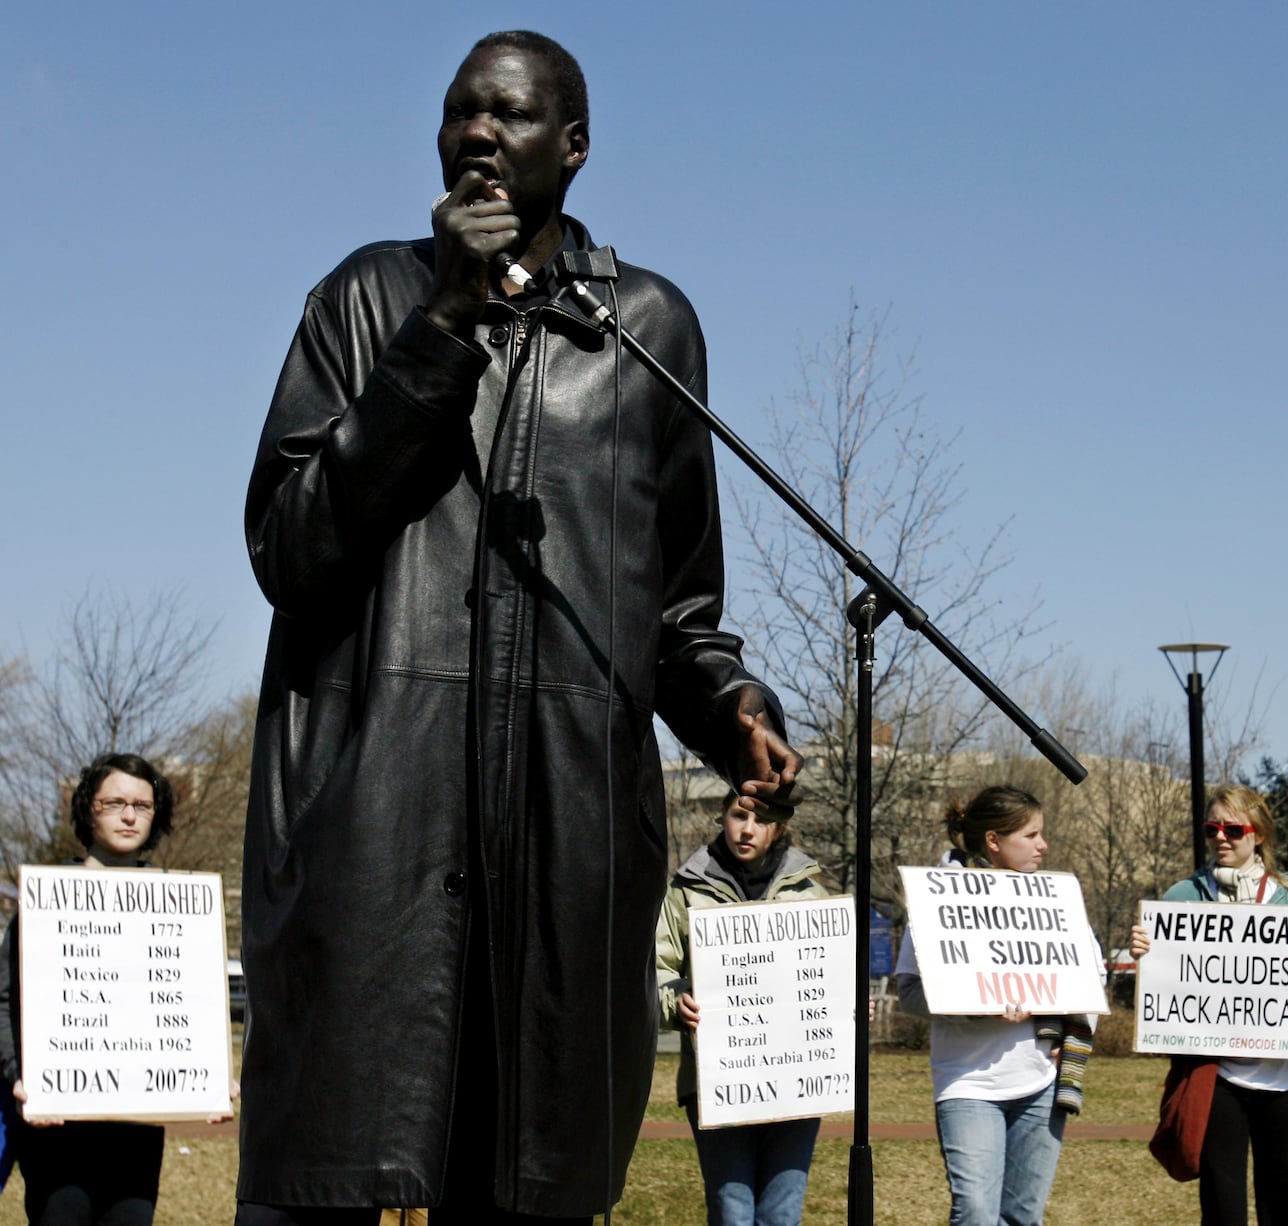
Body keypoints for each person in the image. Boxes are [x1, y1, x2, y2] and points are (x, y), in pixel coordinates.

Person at [238, 30, 800, 1226]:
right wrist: (438, 328)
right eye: (459, 114)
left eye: (509, 115)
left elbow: (680, 610)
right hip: (375, 830)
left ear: (576, 146)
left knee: (525, 1192)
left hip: (564, 846)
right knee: (324, 1184)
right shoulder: (365, 297)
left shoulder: (648, 327)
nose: (478, 133)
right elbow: (292, 547)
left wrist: (729, 705)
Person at [1129, 784, 1288, 1226]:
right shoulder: (1180, 899)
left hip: (1287, 1075)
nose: (1221, 838)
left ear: (1259, 834)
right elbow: (1168, 981)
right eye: (1212, 829)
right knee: (1221, 1204)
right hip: (1217, 1074)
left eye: (1233, 828)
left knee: (1284, 1202)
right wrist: (1143, 954)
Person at [895, 786, 1097, 1226]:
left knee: (1024, 1215)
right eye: (1031, 834)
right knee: (976, 1214)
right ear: (994, 840)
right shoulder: (939, 898)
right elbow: (908, 991)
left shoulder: (1055, 900)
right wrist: (974, 1005)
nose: (1043, 845)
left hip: (1042, 1083)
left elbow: (1089, 975)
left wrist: (1073, 1028)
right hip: (968, 1086)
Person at [0, 753, 176, 1225]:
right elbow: (3, 1000)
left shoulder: (179, 905)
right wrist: (18, 1073)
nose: (129, 815)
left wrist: (211, 1074)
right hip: (56, 1127)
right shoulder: (43, 900)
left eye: (142, 804)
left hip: (137, 1130)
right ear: (87, 809)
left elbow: (188, 1000)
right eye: (114, 802)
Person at [656, 791, 828, 1225]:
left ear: (781, 827)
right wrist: (676, 1001)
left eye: (762, 819)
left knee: (782, 1213)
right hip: (718, 1084)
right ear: (722, 816)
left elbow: (833, 973)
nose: (747, 828)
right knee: (732, 1212)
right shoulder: (684, 888)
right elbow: (653, 972)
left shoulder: (810, 891)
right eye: (738, 815)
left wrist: (848, 1007)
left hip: (797, 1083)